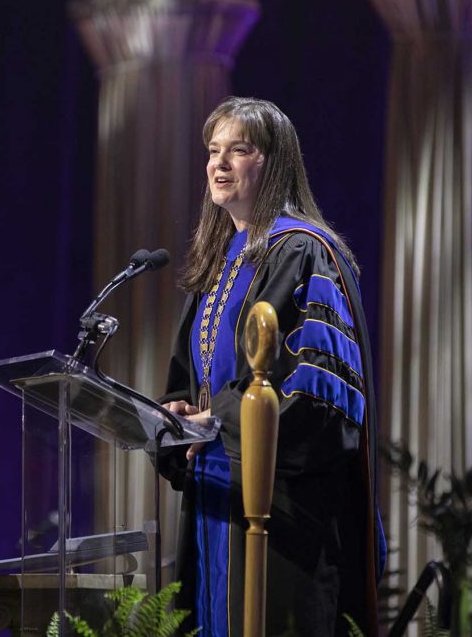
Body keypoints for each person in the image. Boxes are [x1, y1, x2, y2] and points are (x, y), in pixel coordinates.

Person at [157, 96, 386, 636]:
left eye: (239, 150)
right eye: (213, 150)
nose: (219, 163)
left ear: (274, 163)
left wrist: (215, 421)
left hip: (285, 510)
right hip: (216, 502)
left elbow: (319, 399)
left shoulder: (305, 252)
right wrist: (175, 418)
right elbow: (193, 383)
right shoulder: (218, 266)